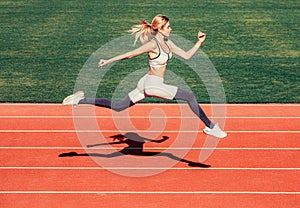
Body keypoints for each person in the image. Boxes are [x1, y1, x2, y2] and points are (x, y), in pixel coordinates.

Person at [63, 14, 227, 138]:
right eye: (168, 26)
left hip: (147, 82)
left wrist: (199, 42)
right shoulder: (152, 44)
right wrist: (108, 60)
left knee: (118, 106)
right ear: (160, 29)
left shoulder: (168, 42)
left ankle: (80, 99)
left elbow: (186, 56)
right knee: (190, 96)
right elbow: (130, 54)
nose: (171, 28)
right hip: (151, 84)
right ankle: (210, 127)